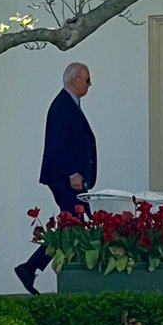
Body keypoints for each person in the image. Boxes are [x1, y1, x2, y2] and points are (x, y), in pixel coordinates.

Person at [15, 62, 97, 294]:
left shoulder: (69, 104)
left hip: (68, 177)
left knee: (74, 225)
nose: (90, 85)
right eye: (87, 79)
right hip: (65, 178)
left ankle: (31, 268)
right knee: (75, 224)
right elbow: (57, 144)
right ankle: (33, 267)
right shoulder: (63, 105)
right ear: (74, 80)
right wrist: (72, 172)